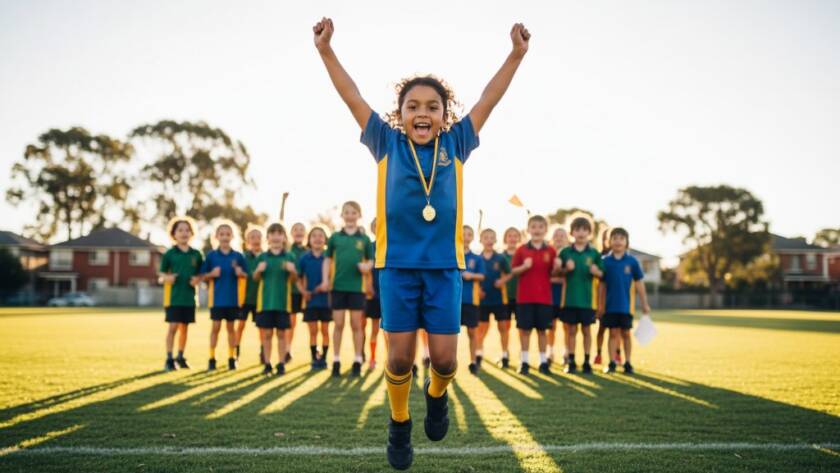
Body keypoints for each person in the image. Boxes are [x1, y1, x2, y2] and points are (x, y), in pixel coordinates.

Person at [313, 16, 530, 470]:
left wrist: (515, 56)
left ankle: (436, 398)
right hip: (395, 268)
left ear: (444, 116)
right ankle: (399, 424)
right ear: (401, 114)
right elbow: (351, 95)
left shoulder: (459, 142)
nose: (423, 114)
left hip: (445, 268)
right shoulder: (385, 141)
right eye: (413, 106)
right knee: (398, 357)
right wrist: (326, 51)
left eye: (433, 106)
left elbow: (490, 98)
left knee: (446, 363)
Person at [324, 201, 373, 378]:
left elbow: (371, 261)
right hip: (338, 287)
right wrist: (325, 279)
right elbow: (327, 260)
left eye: (353, 212)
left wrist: (367, 267)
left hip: (356, 289)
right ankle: (336, 360)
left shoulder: (364, 239)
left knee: (356, 325)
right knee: (338, 324)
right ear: (342, 215)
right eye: (347, 212)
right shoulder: (335, 237)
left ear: (359, 215)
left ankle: (357, 360)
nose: (350, 215)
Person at [598, 227, 651, 374]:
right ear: (609, 242)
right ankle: (611, 362)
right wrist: (600, 305)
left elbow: (639, 283)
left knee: (626, 334)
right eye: (614, 238)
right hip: (610, 307)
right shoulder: (605, 261)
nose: (618, 241)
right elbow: (601, 285)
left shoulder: (632, 261)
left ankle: (627, 362)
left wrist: (645, 303)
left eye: (621, 238)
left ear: (626, 242)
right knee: (612, 334)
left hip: (626, 306)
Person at [510, 215, 556, 375]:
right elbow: (513, 270)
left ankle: (543, 362)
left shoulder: (551, 250)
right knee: (525, 331)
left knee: (543, 331)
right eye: (534, 227)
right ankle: (524, 362)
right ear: (528, 229)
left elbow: (555, 273)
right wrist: (524, 266)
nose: (537, 230)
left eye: (540, 227)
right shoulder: (521, 249)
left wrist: (558, 267)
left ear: (545, 230)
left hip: (544, 298)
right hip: (525, 298)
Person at [558, 217, 604, 374]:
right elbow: (556, 272)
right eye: (577, 229)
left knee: (586, 331)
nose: (581, 233)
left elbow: (603, 275)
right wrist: (564, 268)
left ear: (590, 232)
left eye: (584, 229)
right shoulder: (565, 252)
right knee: (571, 331)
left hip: (587, 301)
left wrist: (596, 272)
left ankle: (586, 361)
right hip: (570, 300)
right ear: (572, 232)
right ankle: (570, 361)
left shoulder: (594, 253)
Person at [252, 223, 298, 376]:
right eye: (273, 233)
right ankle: (267, 363)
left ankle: (281, 363)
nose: (276, 236)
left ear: (284, 237)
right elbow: (255, 278)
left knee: (281, 334)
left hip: (283, 303)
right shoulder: (262, 257)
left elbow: (294, 279)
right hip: (265, 303)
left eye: (279, 233)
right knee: (266, 335)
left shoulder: (289, 256)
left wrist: (292, 271)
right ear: (268, 237)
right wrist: (259, 270)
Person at [201, 222, 247, 371]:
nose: (225, 237)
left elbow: (248, 275)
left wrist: (241, 273)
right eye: (222, 234)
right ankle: (211, 358)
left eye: (228, 234)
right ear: (217, 236)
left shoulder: (238, 256)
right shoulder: (211, 256)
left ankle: (231, 358)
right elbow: (202, 276)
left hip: (233, 299)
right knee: (215, 328)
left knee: (231, 329)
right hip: (217, 300)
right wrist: (211, 274)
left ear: (232, 236)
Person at [159, 218, 203, 371]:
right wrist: (167, 278)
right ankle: (169, 358)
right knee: (173, 327)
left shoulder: (196, 254)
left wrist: (198, 279)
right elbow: (161, 274)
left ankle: (180, 356)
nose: (184, 233)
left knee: (185, 328)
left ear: (191, 233)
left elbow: (201, 275)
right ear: (174, 234)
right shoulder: (170, 254)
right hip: (174, 298)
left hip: (189, 299)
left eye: (187, 230)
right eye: (180, 230)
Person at [297, 226, 332, 370]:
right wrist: (303, 291)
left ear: (325, 239)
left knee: (325, 330)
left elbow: (334, 277)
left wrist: (327, 285)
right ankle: (314, 358)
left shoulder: (329, 258)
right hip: (310, 301)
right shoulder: (304, 258)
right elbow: (298, 279)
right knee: (312, 331)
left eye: (321, 236)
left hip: (326, 301)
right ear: (309, 240)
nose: (317, 238)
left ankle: (323, 358)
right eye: (314, 236)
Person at [477, 229, 511, 369]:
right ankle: (478, 354)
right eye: (486, 237)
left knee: (503, 327)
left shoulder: (501, 258)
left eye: (492, 237)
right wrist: (478, 290)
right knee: (482, 329)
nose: (489, 240)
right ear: (481, 240)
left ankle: (504, 355)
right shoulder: (477, 258)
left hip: (499, 299)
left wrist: (502, 281)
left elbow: (509, 274)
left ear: (496, 240)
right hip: (483, 300)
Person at [461, 225, 486, 374]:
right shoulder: (452, 254)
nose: (466, 236)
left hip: (471, 301)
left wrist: (471, 276)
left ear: (472, 237)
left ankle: (473, 361)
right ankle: (450, 363)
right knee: (451, 334)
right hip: (453, 302)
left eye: (469, 234)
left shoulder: (476, 258)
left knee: (472, 332)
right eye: (463, 234)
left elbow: (482, 275)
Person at [287, 222, 309, 363]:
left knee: (312, 322)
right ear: (291, 233)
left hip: (309, 292)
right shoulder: (288, 251)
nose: (299, 232)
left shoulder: (309, 251)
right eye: (296, 229)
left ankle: (315, 349)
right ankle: (287, 349)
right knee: (291, 322)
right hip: (293, 292)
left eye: (301, 229)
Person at [499, 227, 521, 367]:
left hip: (521, 298)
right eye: (509, 236)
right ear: (505, 238)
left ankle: (521, 357)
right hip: (504, 297)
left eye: (515, 236)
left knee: (521, 328)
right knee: (504, 327)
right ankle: (505, 355)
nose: (512, 238)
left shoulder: (522, 255)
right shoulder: (500, 257)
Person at [548, 227, 569, 365]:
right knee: (551, 326)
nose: (559, 237)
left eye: (562, 235)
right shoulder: (548, 253)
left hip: (566, 295)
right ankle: (550, 352)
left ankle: (567, 352)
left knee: (567, 326)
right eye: (556, 235)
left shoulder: (570, 254)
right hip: (549, 295)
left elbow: (570, 276)